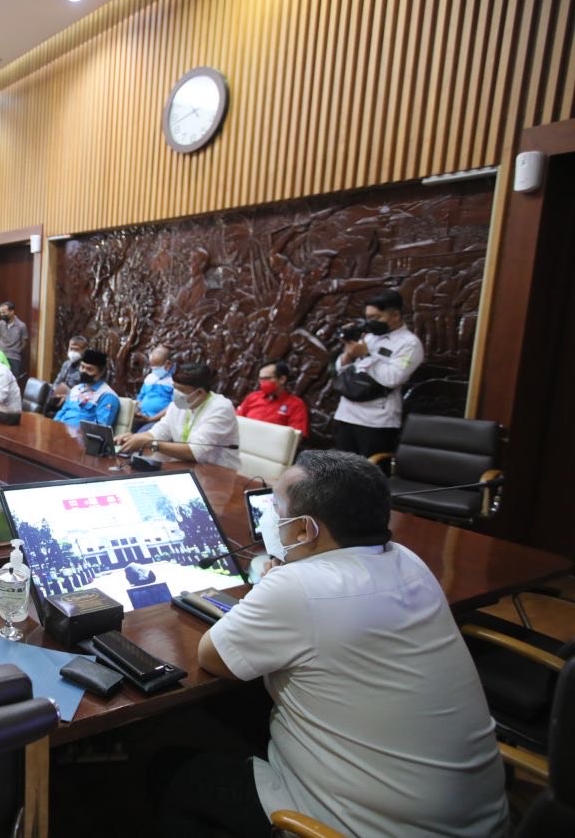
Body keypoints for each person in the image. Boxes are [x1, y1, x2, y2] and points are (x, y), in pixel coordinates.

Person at [164, 450, 509, 837]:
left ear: (303, 530)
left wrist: (275, 586)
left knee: (171, 769)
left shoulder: (296, 588)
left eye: (276, 509)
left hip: (367, 828)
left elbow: (212, 657)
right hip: (480, 819)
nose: (269, 520)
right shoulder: (408, 560)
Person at [333, 289, 425, 457]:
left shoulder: (409, 344)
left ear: (395, 315)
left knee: (369, 476)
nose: (371, 322)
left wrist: (366, 354)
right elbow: (343, 370)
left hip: (376, 421)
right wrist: (348, 351)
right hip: (347, 414)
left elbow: (393, 378)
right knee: (343, 473)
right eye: (368, 318)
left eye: (376, 318)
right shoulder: (369, 337)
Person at [115, 361, 241, 470]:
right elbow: (160, 431)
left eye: (181, 390)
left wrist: (150, 443)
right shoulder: (178, 404)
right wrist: (135, 438)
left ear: (200, 392)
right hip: (186, 468)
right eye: (175, 388)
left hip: (219, 475)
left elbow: (196, 452)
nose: (176, 393)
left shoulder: (221, 408)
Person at [236, 359, 310, 438]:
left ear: (282, 379)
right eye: (261, 379)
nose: (263, 382)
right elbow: (236, 421)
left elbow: (296, 437)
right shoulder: (253, 397)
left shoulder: (296, 404)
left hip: (271, 447)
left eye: (267, 378)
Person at [53, 349, 121, 427]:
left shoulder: (107, 396)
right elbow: (61, 413)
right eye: (82, 367)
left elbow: (100, 428)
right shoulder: (76, 389)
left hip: (81, 437)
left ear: (101, 372)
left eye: (89, 369)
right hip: (61, 432)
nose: (83, 371)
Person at [132, 345, 174, 429]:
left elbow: (173, 407)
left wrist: (151, 419)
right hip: (142, 417)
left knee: (139, 437)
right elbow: (140, 398)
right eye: (152, 367)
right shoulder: (150, 378)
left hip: (158, 420)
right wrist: (137, 411)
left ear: (168, 364)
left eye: (157, 367)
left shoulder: (174, 381)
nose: (154, 370)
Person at [0, 301, 29, 379]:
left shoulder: (21, 326)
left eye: (4, 313)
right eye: (1, 313)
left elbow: (24, 342)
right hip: (0, 356)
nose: (2, 315)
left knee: (13, 380)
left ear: (12, 311)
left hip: (14, 357)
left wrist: (17, 350)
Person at [50, 335, 89, 403]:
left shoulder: (86, 368)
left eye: (76, 349)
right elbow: (58, 381)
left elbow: (86, 392)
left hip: (74, 401)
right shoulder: (66, 364)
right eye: (71, 349)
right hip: (59, 397)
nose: (73, 352)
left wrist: (68, 397)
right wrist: (54, 392)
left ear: (84, 351)